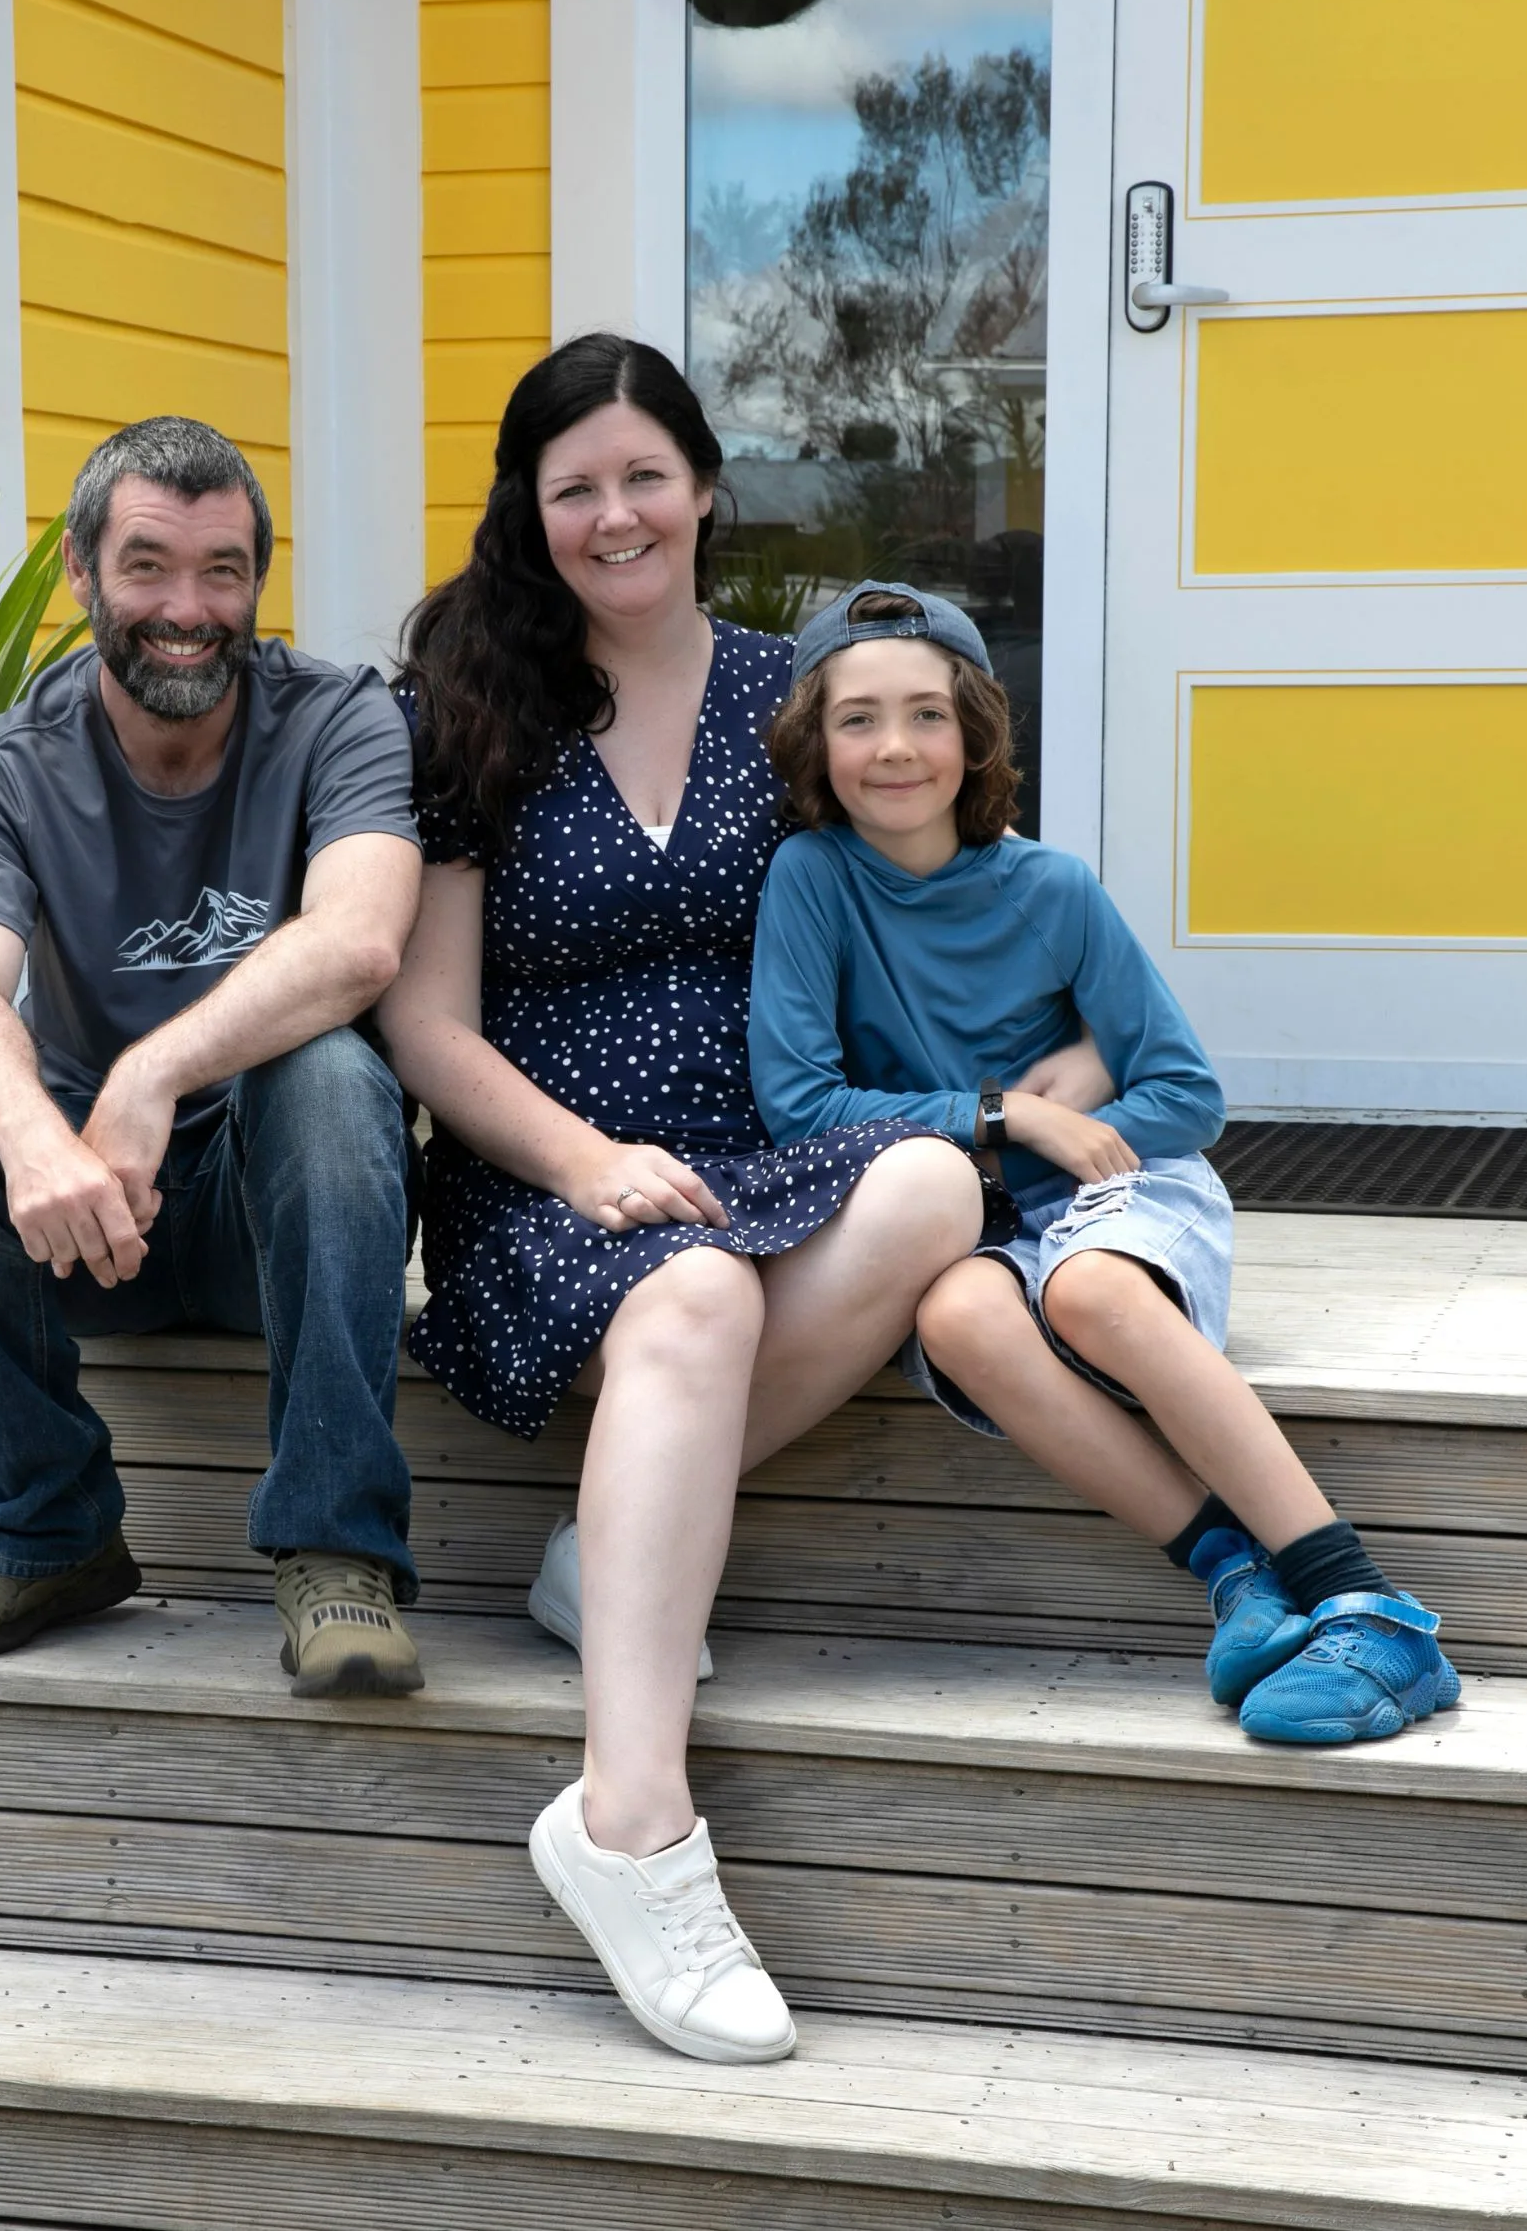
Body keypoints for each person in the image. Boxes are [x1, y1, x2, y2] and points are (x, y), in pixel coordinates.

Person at [375, 336, 1052, 2065]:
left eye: (643, 475)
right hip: (554, 1176)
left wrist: (1067, 1065)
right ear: (534, 513)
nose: (615, 514)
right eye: (575, 485)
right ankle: (633, 1833)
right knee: (698, 1292)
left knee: (924, 1184)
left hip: (761, 1147)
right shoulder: (477, 706)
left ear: (704, 486)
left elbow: (934, 912)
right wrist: (585, 1162)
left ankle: (612, 1552)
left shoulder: (790, 693)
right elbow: (427, 1025)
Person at [749, 579, 1462, 1748]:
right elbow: (801, 1106)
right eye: (858, 717)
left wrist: (1074, 1111)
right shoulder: (813, 881)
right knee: (959, 1316)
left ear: (975, 729)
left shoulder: (1052, 888)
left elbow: (1186, 1090)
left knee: (1085, 1289)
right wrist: (1012, 1114)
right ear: (813, 742)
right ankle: (1238, 1577)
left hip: (1116, 1193)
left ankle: (1370, 1605)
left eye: (928, 714)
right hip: (978, 1206)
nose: (895, 747)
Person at [0, 415, 427, 1698]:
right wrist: (37, 1141)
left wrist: (147, 1075)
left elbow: (359, 943)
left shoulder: (337, 720)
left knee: (334, 1075)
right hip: (79, 1218)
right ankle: (44, 1529)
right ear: (80, 570)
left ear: (258, 584)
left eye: (222, 570)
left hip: (261, 1210)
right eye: (150, 566)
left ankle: (337, 1550)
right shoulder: (5, 766)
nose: (188, 608)